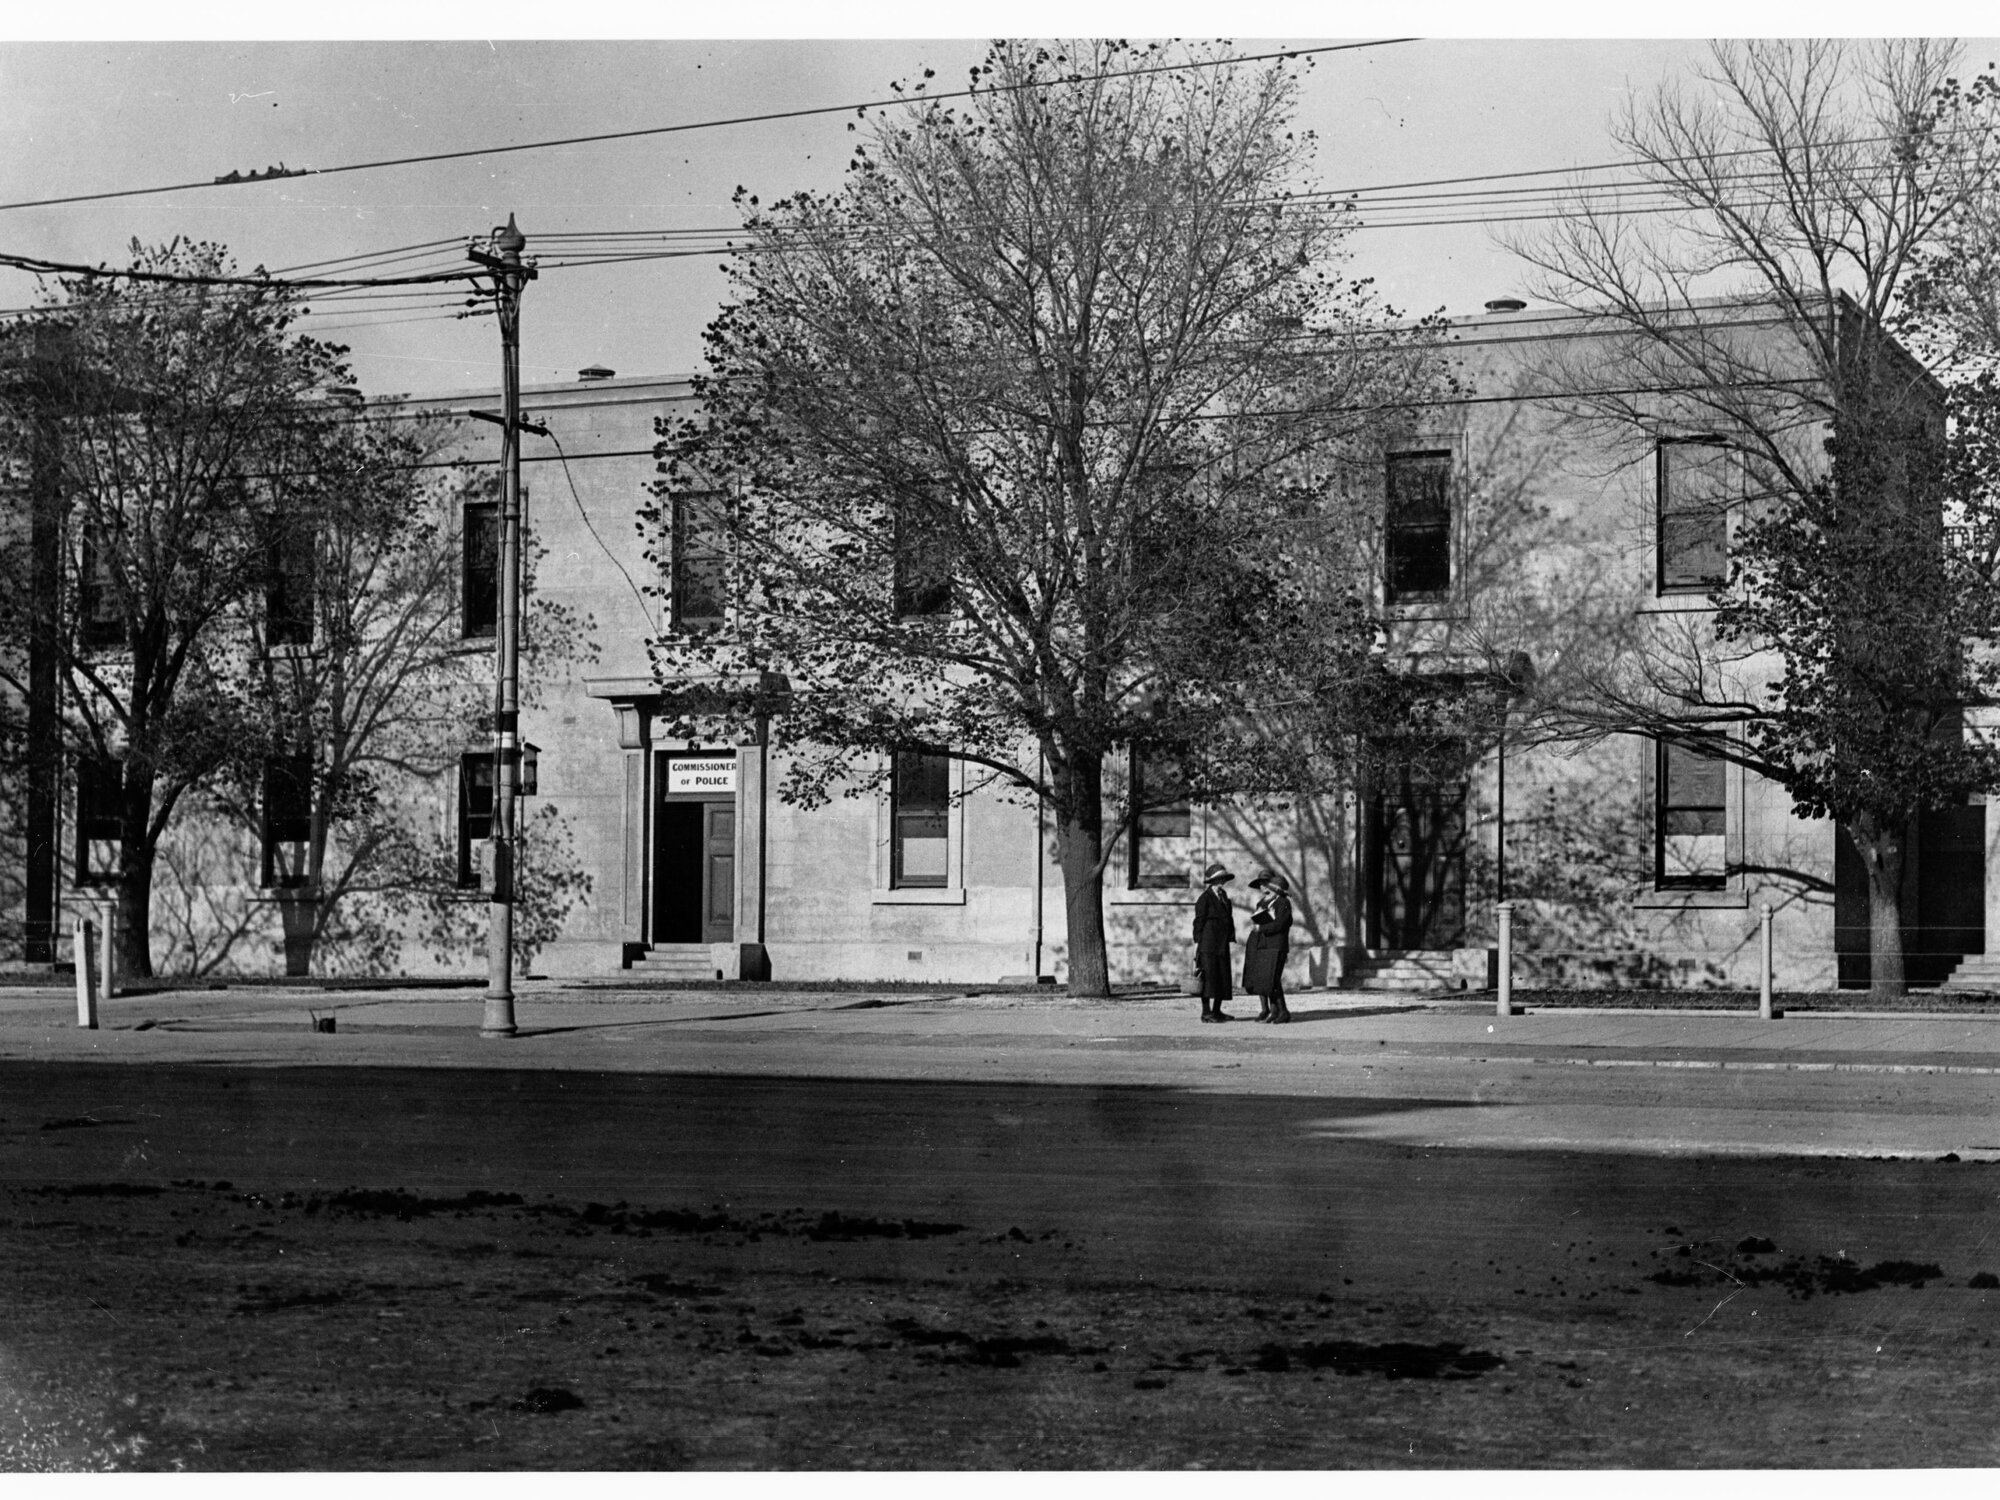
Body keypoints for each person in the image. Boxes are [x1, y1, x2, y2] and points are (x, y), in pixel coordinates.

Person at [1242, 869, 1294, 1023]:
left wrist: (1262, 928)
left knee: (1274, 979)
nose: (1265, 889)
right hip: (1265, 945)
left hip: (1276, 945)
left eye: (1268, 886)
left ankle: (1282, 1011)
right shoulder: (1264, 903)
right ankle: (1277, 1011)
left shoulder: (1283, 903)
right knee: (1268, 979)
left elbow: (1281, 923)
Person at [1192, 861, 1236, 1022]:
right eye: (1218, 880)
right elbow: (1198, 922)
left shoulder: (1224, 897)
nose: (1221, 883)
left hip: (1222, 944)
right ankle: (1206, 1012)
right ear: (1212, 882)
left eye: (1223, 880)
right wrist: (1197, 944)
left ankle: (1217, 1011)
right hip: (1208, 944)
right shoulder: (1205, 898)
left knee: (1222, 977)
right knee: (1208, 978)